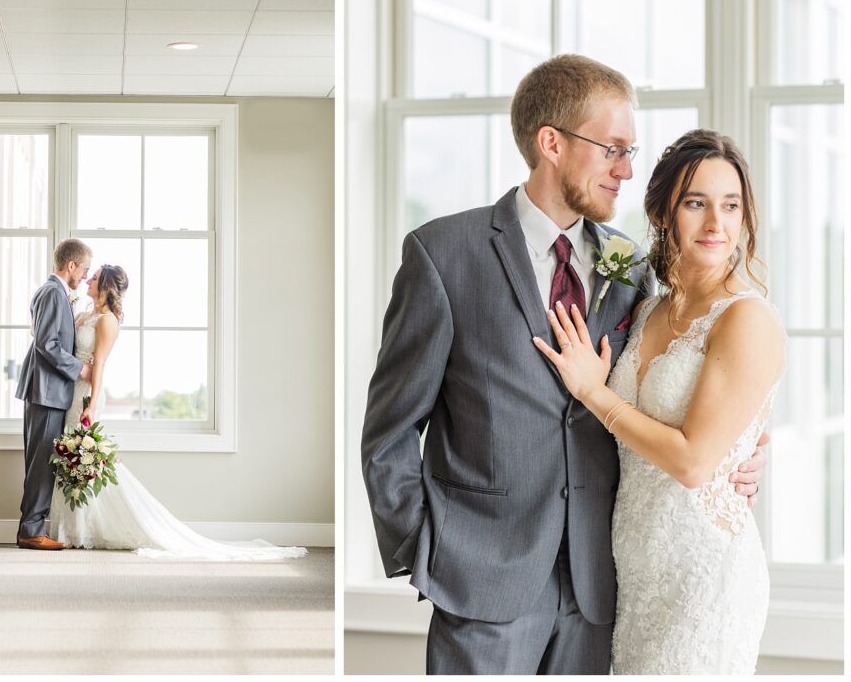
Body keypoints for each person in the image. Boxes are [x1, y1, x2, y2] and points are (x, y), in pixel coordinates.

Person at [360, 54, 768, 674]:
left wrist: (743, 453)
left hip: (602, 584)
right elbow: (389, 429)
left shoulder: (630, 267)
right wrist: (424, 549)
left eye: (631, 152)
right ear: (551, 142)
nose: (627, 170)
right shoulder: (443, 255)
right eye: (612, 149)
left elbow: (688, 383)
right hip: (481, 581)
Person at [533, 129, 780, 673]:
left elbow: (694, 463)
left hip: (704, 575)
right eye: (696, 203)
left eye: (731, 205)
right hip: (634, 573)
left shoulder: (747, 318)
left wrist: (596, 394)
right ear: (665, 212)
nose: (716, 223)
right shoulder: (647, 307)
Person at [48, 264, 307, 561]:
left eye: (93, 278)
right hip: (69, 392)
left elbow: (101, 365)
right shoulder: (83, 314)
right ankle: (74, 528)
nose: (88, 280)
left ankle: (82, 530)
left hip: (86, 394)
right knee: (72, 457)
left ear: (106, 287)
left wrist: (91, 405)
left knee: (85, 458)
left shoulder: (107, 321)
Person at [15, 238, 93, 551]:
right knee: (40, 465)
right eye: (84, 269)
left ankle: (31, 527)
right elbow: (47, 344)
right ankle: (31, 531)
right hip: (46, 390)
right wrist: (80, 369)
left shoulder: (57, 293)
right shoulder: (52, 292)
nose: (85, 276)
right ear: (70, 265)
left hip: (48, 390)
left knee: (41, 463)